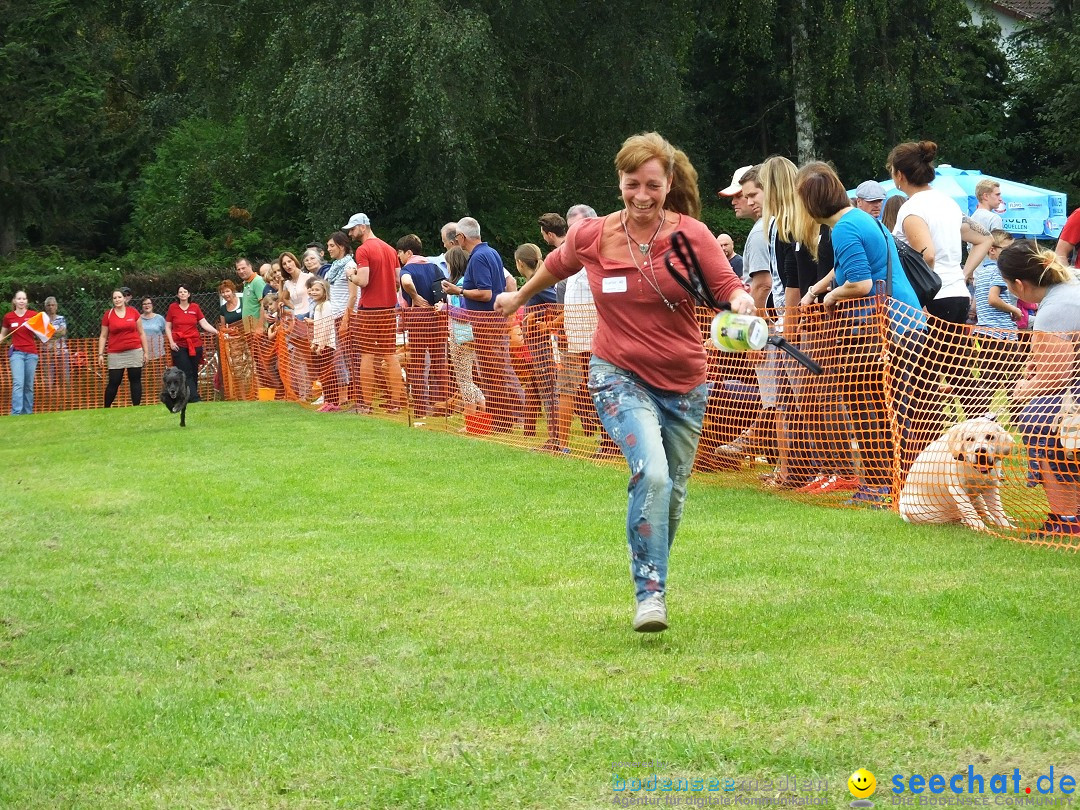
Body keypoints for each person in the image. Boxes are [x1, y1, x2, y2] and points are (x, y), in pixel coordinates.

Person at [495, 132, 755, 633]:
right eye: (632, 184)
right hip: (618, 374)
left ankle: (654, 572)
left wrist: (741, 301)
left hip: (684, 381)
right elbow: (554, 265)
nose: (641, 195)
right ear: (619, 183)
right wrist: (520, 297)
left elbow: (726, 286)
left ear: (669, 183)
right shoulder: (595, 234)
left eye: (652, 185)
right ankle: (650, 593)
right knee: (652, 475)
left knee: (673, 495)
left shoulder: (692, 235)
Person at [796, 161, 923, 507]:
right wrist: (817, 287)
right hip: (904, 324)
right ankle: (901, 483)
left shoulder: (843, 229)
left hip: (883, 330)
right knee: (893, 408)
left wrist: (832, 297)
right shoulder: (859, 220)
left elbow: (861, 282)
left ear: (811, 204)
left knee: (868, 408)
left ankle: (880, 486)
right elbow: (849, 265)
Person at [888, 140, 993, 467]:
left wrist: (921, 297)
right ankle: (985, 438)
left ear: (900, 175)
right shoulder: (948, 203)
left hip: (930, 301)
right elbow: (984, 239)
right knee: (960, 376)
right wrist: (961, 274)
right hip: (957, 295)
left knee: (920, 382)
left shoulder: (910, 208)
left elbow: (927, 254)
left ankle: (922, 454)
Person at [998, 240, 1080, 537]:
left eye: (1007, 285)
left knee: (1038, 416)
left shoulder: (1055, 308)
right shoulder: (1070, 285)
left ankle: (1067, 519)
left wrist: (1022, 389)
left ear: (1019, 285)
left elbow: (1055, 378)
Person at [443, 216, 524, 433]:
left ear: (461, 237)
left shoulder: (478, 258)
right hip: (494, 322)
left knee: (491, 374)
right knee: (497, 372)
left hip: (486, 324)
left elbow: (485, 293)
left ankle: (500, 421)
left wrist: (457, 290)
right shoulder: (492, 253)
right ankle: (505, 419)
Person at [345, 212, 406, 414]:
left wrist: (351, 274)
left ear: (363, 227)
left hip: (369, 310)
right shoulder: (390, 249)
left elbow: (363, 281)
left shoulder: (363, 250)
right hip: (389, 309)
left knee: (367, 356)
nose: (351, 234)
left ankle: (367, 405)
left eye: (353, 229)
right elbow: (398, 282)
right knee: (390, 355)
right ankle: (396, 403)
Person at [397, 233, 448, 417]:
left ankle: (420, 408)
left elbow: (406, 282)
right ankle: (443, 406)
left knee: (417, 364)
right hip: (438, 317)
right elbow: (444, 290)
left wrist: (414, 297)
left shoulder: (407, 270)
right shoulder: (435, 267)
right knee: (439, 363)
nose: (400, 258)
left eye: (400, 254)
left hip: (418, 320)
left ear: (408, 253)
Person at [440, 246, 485, 420]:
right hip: (466, 335)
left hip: (461, 336)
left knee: (464, 379)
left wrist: (445, 307)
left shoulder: (459, 286)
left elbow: (464, 314)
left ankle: (471, 418)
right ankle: (482, 411)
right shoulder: (466, 284)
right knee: (468, 378)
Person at [165, 284, 220, 403]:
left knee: (194, 372)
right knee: (186, 371)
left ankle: (188, 396)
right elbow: (168, 326)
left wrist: (217, 332)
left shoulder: (195, 307)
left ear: (189, 294)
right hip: (179, 345)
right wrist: (171, 342)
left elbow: (204, 324)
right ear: (177, 295)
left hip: (195, 345)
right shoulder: (173, 308)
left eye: (185, 291)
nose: (183, 294)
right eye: (180, 292)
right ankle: (195, 398)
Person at [98, 288, 149, 407]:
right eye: (115, 298)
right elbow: (103, 336)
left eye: (119, 297)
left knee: (135, 380)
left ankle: (136, 407)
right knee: (114, 381)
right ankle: (105, 408)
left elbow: (141, 333)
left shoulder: (133, 312)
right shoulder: (108, 315)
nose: (117, 300)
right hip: (115, 353)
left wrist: (146, 352)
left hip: (135, 350)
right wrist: (100, 354)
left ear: (124, 298)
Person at [0, 291, 40, 415]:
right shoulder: (8, 317)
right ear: (14, 301)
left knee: (28, 385)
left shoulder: (33, 315)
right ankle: (16, 413)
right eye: (19, 298)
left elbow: (42, 331)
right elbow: (3, 333)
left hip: (31, 353)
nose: (21, 301)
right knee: (18, 383)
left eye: (24, 298)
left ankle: (27, 413)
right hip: (16, 353)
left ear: (27, 301)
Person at [306, 276, 341, 411]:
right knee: (323, 374)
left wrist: (321, 344)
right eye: (312, 289)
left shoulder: (326, 305)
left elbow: (326, 325)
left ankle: (333, 402)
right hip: (321, 343)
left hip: (327, 344)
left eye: (317, 290)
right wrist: (315, 342)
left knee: (329, 374)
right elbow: (318, 326)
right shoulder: (318, 306)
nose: (314, 292)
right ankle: (328, 400)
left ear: (325, 292)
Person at [41, 296, 69, 390]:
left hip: (61, 351)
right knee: (48, 378)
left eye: (53, 305)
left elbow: (63, 332)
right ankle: (49, 399)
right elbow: (41, 334)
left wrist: (49, 333)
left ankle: (65, 396)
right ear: (45, 307)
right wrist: (56, 332)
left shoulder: (61, 318)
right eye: (48, 305)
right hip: (47, 352)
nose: (51, 307)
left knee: (64, 376)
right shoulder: (42, 320)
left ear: (56, 306)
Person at [236, 257, 267, 334]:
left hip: (259, 332)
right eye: (238, 269)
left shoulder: (257, 281)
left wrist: (260, 327)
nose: (241, 271)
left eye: (243, 268)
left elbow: (265, 305)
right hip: (250, 331)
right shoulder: (246, 284)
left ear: (250, 266)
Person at [279, 252, 313, 320]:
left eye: (289, 261)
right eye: (284, 264)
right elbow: (283, 299)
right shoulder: (287, 283)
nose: (288, 265)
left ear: (294, 261)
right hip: (296, 316)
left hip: (309, 314)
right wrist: (293, 307)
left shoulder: (308, 277)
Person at [139, 297, 167, 361]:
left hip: (158, 354)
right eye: (144, 304)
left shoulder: (160, 318)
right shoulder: (138, 319)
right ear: (142, 306)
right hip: (142, 354)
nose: (147, 305)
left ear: (152, 305)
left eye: (149, 303)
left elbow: (165, 332)